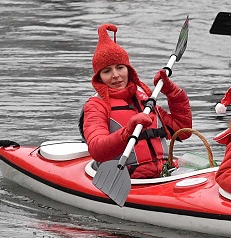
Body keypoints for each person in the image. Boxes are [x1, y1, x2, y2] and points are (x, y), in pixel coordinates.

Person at [81, 23, 192, 179]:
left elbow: (183, 131)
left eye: (120, 67)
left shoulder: (144, 97)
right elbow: (97, 150)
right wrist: (128, 130)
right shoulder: (96, 106)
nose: (115, 75)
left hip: (164, 174)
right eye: (107, 71)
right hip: (127, 178)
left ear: (128, 69)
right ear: (99, 78)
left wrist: (173, 93)